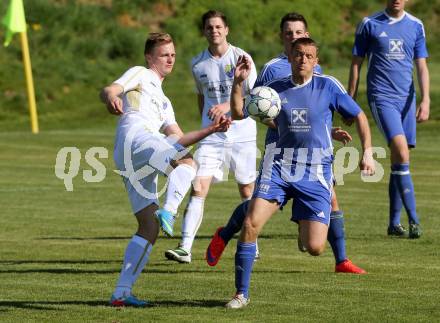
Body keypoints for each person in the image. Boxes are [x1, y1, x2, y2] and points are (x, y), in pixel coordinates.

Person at [206, 12, 366, 274]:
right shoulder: (272, 69)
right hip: (280, 150)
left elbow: (314, 108)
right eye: (289, 33)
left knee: (330, 200)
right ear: (282, 37)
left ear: (307, 35)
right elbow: (258, 109)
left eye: (299, 32)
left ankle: (339, 258)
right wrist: (285, 125)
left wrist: (328, 130)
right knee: (266, 204)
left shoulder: (314, 67)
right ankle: (226, 233)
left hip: (313, 154)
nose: (294, 37)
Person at [224, 38, 375, 309]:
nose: (302, 59)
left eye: (308, 56)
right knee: (251, 224)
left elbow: (360, 115)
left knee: (315, 247)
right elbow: (237, 112)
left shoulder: (328, 86)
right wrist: (238, 82)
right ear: (290, 57)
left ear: (316, 61)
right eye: (298, 55)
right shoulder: (272, 90)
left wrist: (367, 152)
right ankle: (240, 293)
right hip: (279, 166)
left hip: (315, 171)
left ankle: (303, 225)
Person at [100, 32, 230, 307]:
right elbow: (110, 89)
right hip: (136, 137)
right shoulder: (140, 74)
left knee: (148, 227)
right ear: (150, 58)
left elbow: (178, 139)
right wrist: (111, 97)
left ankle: (121, 293)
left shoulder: (165, 102)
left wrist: (211, 129)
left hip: (131, 155)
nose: (170, 58)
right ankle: (169, 210)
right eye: (163, 54)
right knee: (186, 163)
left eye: (172, 53)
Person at [164, 10, 258, 263]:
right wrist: (207, 124)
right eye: (209, 27)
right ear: (204, 31)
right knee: (198, 185)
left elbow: (256, 98)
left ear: (226, 29)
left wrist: (227, 107)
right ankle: (185, 248)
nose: (214, 31)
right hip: (213, 137)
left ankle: (252, 243)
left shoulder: (243, 58)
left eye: (218, 27)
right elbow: (201, 97)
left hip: (243, 135)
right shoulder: (198, 64)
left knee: (247, 189)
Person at [348, 0, 430, 238]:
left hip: (407, 99)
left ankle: (394, 224)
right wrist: (350, 101)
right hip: (381, 97)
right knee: (402, 153)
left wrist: (425, 100)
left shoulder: (416, 25)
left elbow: (421, 66)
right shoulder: (369, 24)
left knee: (400, 160)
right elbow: (356, 64)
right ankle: (414, 221)